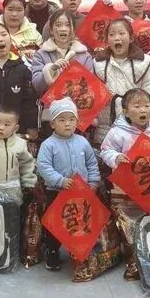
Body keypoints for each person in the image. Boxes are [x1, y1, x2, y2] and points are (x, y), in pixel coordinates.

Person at [35, 97, 100, 271]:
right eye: (62, 120)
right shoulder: (48, 145)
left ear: (77, 122)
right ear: (53, 124)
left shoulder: (83, 142)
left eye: (71, 119)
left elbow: (91, 163)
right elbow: (43, 167)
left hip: (81, 192)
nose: (67, 124)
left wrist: (93, 182)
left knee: (80, 221)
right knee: (56, 224)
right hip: (56, 191)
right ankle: (53, 251)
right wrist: (60, 181)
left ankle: (79, 252)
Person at [93, 19, 150, 145]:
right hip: (106, 129)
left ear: (131, 38)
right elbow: (92, 96)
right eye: (112, 34)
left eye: (121, 33)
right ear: (107, 40)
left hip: (137, 129)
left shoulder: (143, 63)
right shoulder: (98, 64)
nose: (117, 38)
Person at [100, 88, 150, 195]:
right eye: (137, 106)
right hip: (127, 184)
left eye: (147, 106)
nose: (143, 110)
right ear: (126, 112)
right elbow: (106, 150)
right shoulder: (117, 132)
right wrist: (116, 158)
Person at [29, 10, 95, 135]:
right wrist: (51, 69)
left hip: (76, 112)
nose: (63, 29)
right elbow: (37, 85)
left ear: (73, 30)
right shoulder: (41, 54)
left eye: (67, 25)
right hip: (50, 112)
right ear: (51, 30)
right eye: (58, 25)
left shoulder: (84, 55)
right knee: (51, 143)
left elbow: (90, 86)